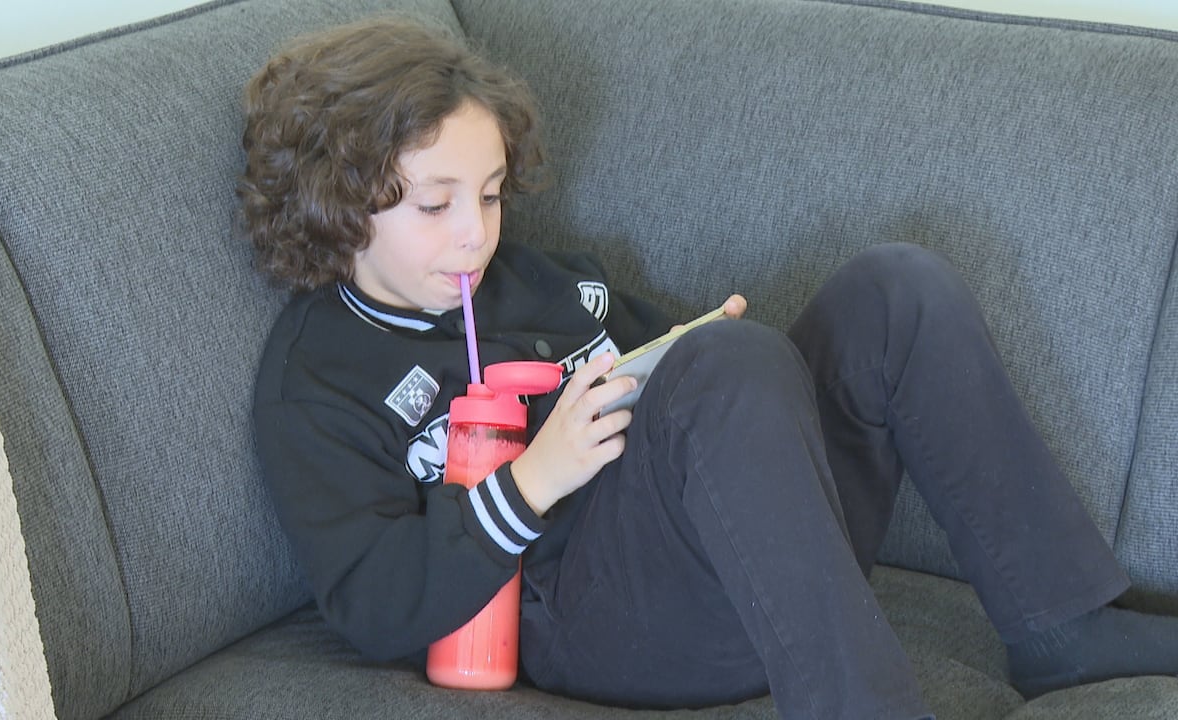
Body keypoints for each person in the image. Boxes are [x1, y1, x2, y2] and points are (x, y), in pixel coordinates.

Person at [240, 15, 1178, 720]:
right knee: (724, 364)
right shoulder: (317, 382)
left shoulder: (536, 280)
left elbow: (710, 401)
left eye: (488, 196)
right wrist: (531, 482)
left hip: (764, 560)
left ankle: (1061, 625)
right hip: (604, 624)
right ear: (337, 203)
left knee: (895, 290)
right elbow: (370, 603)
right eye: (435, 205)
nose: (476, 235)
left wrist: (717, 350)